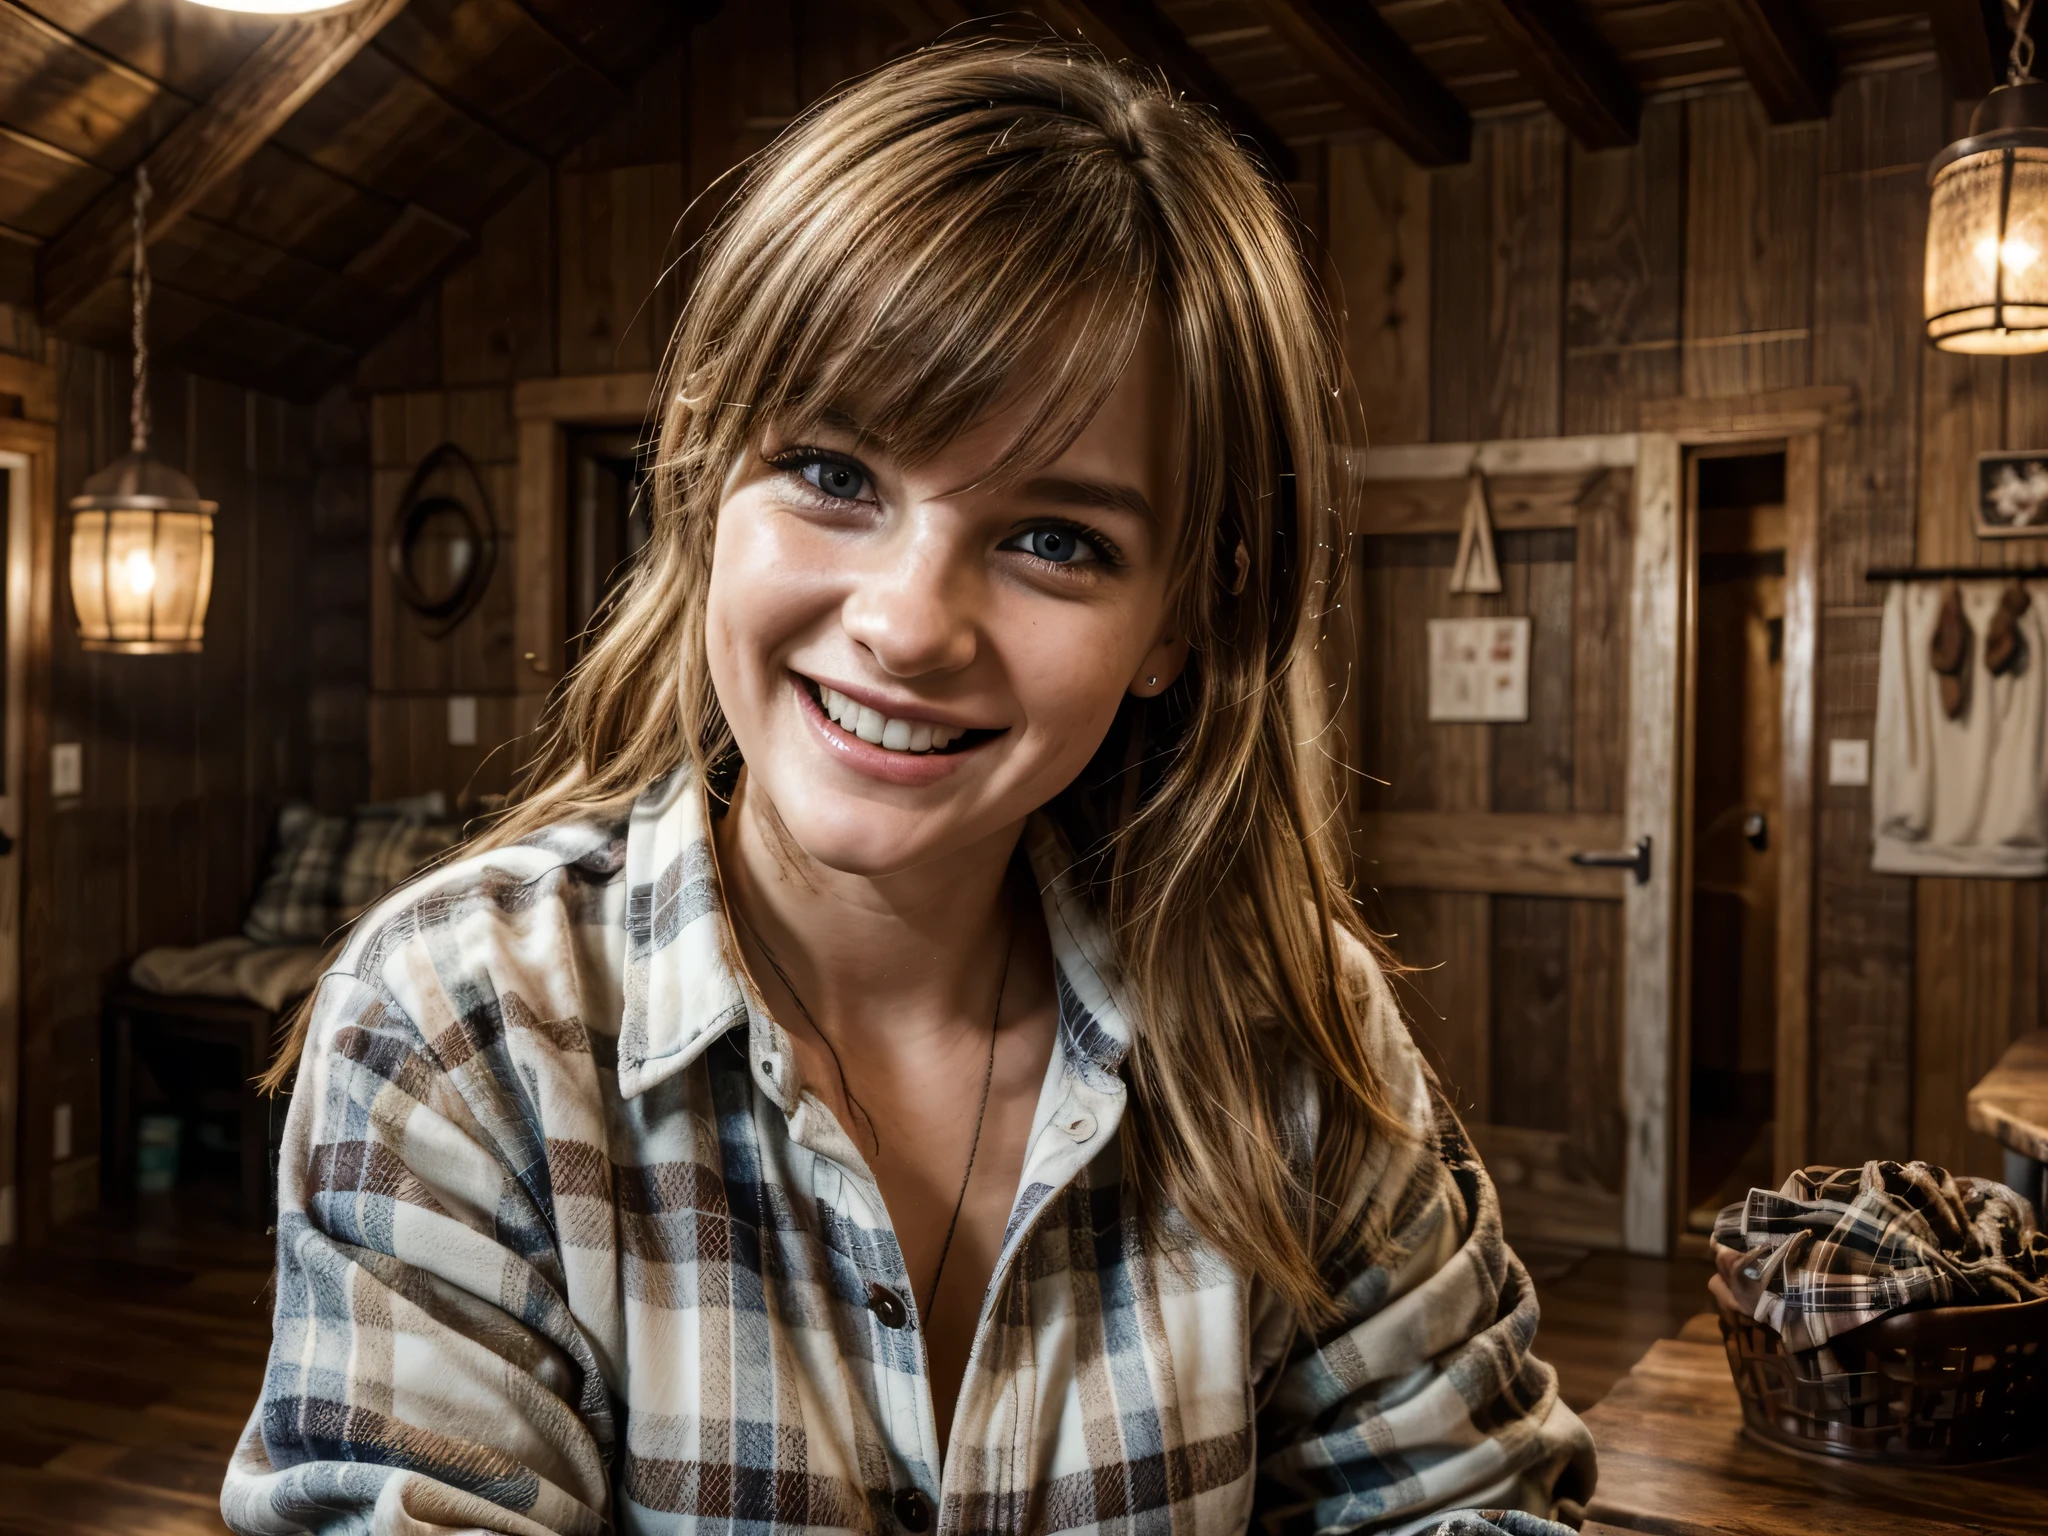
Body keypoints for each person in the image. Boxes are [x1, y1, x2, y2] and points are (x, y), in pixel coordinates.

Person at [224, 37, 1594, 1536]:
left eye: (1057, 539)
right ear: (702, 488)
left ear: (1178, 624)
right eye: (831, 470)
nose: (906, 623)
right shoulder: (458, 1023)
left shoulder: (1293, 1035)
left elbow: (1482, 1505)